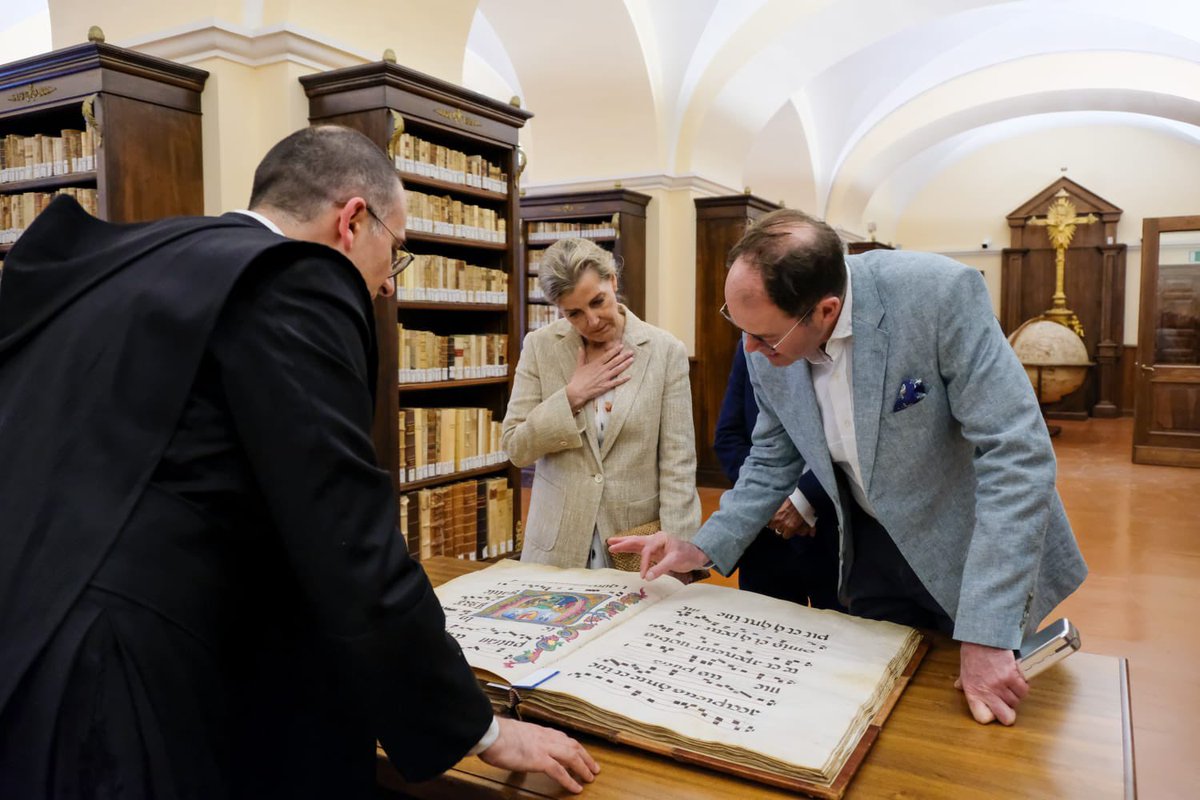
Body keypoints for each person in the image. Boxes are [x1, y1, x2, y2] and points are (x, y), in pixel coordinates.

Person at [0, 125, 597, 799]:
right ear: (352, 221)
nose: (388, 289)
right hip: (125, 685)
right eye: (395, 255)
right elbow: (344, 530)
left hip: (27, 648)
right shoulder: (293, 281)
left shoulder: (140, 260)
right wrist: (478, 728)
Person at [611, 208, 1087, 727]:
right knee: (885, 716)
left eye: (764, 337)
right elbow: (772, 457)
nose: (748, 349)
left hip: (973, 549)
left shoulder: (939, 295)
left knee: (983, 729)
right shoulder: (765, 334)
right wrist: (701, 546)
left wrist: (989, 631)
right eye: (737, 325)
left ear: (825, 310)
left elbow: (1017, 456)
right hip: (871, 554)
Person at [502, 237, 700, 568]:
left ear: (613, 280)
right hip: (556, 548)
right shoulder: (540, 347)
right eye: (574, 313)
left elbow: (678, 461)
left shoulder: (666, 352)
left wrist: (680, 551)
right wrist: (571, 397)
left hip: (634, 545)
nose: (592, 321)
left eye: (598, 302)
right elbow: (516, 447)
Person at [713, 344, 843, 610]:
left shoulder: (843, 348)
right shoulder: (752, 347)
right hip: (767, 535)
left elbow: (855, 444)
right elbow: (728, 438)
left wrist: (805, 499)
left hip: (837, 532)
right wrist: (774, 500)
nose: (751, 338)